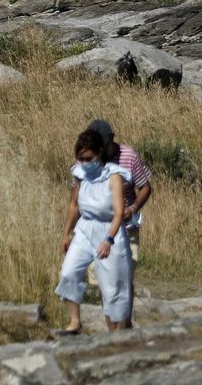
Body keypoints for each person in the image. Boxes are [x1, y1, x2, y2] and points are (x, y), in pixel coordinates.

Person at [55, 128, 133, 335]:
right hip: (84, 228)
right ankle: (74, 322)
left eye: (88, 158)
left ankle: (116, 332)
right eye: (80, 159)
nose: (84, 162)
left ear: (99, 153)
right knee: (68, 272)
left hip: (109, 230)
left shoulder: (114, 177)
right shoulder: (80, 175)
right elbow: (74, 205)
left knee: (111, 288)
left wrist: (108, 240)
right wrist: (66, 233)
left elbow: (118, 213)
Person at [84, 119, 152, 329]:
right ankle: (114, 331)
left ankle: (124, 325)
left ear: (111, 140)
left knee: (123, 282)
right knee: (105, 285)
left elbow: (145, 187)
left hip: (127, 229)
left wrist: (131, 209)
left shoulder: (128, 156)